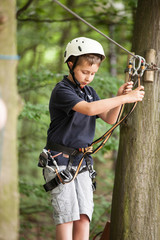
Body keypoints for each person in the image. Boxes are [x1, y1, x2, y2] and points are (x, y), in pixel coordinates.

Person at [42, 37, 145, 240]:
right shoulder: (62, 90)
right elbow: (89, 110)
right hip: (60, 162)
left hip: (82, 162)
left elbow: (109, 118)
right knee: (66, 216)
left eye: (93, 74)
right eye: (84, 72)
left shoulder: (89, 91)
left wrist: (118, 98)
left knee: (83, 216)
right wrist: (125, 97)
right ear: (71, 65)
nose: (89, 78)